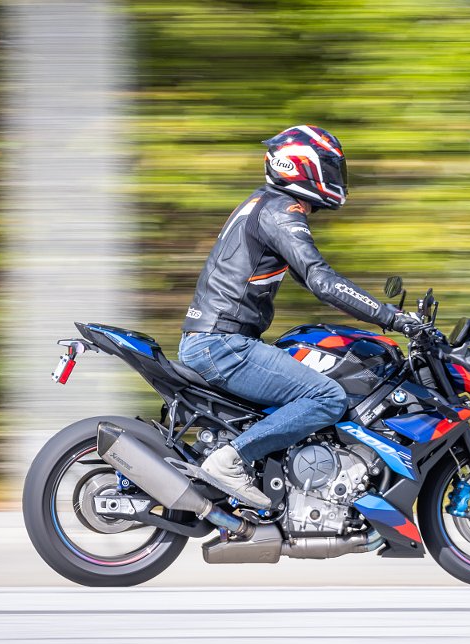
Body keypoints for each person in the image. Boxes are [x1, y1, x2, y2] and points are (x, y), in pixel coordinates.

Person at [178, 125, 418, 508]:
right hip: (223, 344)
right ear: (302, 167)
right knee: (327, 396)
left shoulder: (264, 205)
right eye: (331, 167)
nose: (337, 176)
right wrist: (391, 317)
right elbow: (322, 281)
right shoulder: (280, 211)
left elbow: (313, 281)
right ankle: (230, 461)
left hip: (218, 340)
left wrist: (377, 313)